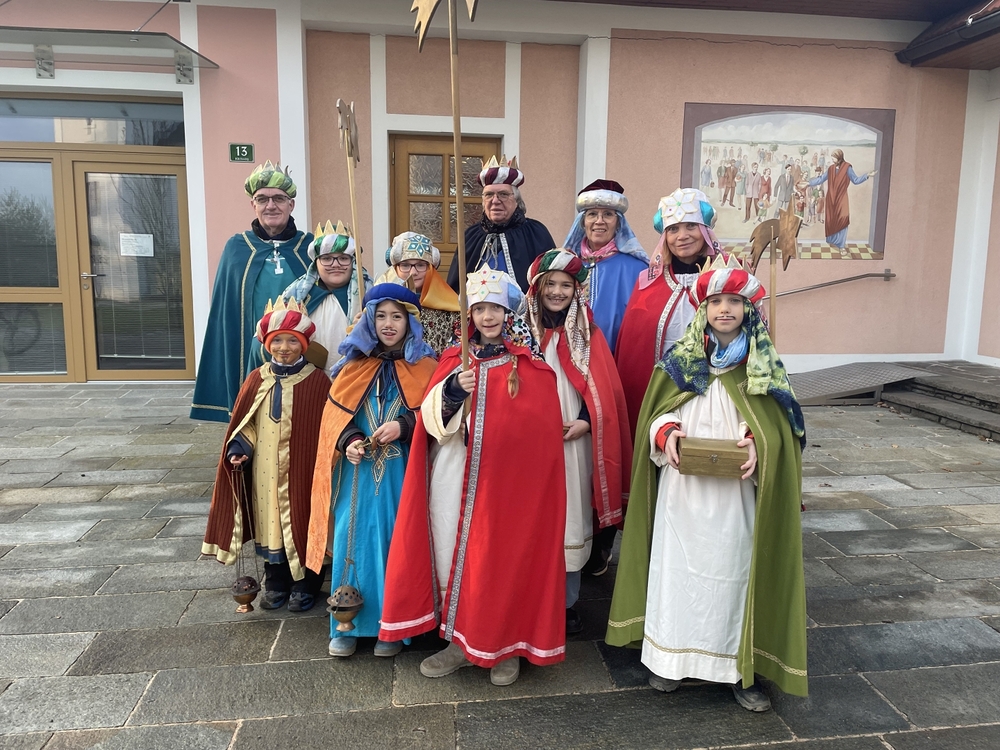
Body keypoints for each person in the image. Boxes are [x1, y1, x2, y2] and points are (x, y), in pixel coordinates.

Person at [606, 254, 807, 712]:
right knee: (677, 571)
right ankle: (671, 659)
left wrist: (759, 444)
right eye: (716, 301)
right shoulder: (680, 361)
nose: (724, 309)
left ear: (748, 309)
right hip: (683, 493)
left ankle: (740, 670)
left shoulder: (763, 367)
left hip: (736, 495)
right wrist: (666, 434)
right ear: (704, 309)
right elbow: (656, 415)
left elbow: (783, 429)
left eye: (734, 301)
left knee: (733, 573)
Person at [378, 267, 566, 687]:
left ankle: (506, 645)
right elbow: (429, 424)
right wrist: (451, 393)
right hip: (453, 476)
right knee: (453, 554)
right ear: (470, 315)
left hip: (508, 487)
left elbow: (540, 434)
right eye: (479, 309)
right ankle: (459, 643)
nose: (487, 317)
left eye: (495, 308)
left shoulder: (529, 367)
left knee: (504, 558)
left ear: (507, 314)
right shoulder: (453, 361)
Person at [306, 284, 437, 658]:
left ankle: (392, 626)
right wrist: (348, 439)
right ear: (369, 320)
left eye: (397, 316)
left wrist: (405, 426)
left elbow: (438, 417)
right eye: (380, 316)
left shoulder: (426, 368)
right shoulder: (352, 367)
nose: (388, 324)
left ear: (410, 322)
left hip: (402, 474)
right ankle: (345, 622)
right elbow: (334, 417)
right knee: (352, 537)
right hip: (357, 474)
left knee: (395, 541)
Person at [525, 249, 630, 635]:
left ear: (576, 291)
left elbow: (604, 389)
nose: (557, 291)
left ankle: (566, 601)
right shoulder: (519, 334)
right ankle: (529, 597)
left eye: (565, 285)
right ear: (537, 289)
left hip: (571, 440)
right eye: (550, 284)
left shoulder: (588, 335)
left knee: (569, 514)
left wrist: (586, 421)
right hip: (527, 443)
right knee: (530, 515)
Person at [202, 298, 329, 611]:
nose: (284, 348)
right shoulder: (257, 378)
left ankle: (306, 584)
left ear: (304, 344)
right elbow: (246, 422)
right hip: (265, 470)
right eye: (278, 340)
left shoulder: (317, 380)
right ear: (267, 343)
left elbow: (329, 424)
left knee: (303, 519)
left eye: (292, 341)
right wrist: (239, 449)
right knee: (269, 522)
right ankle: (276, 582)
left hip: (303, 469)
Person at [191, 161, 311, 422]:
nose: (271, 205)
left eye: (279, 198)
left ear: (291, 204)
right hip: (249, 348)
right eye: (262, 199)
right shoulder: (237, 248)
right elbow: (225, 310)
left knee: (301, 415)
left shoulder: (310, 247)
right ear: (253, 205)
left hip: (299, 347)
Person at [615, 188, 719, 436]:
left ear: (705, 230)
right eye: (673, 229)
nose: (682, 236)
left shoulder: (726, 279)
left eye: (691, 226)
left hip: (713, 394)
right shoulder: (647, 283)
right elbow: (633, 350)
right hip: (659, 393)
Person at [562, 180, 648, 354]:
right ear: (583, 222)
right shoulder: (566, 265)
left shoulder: (638, 269)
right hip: (568, 357)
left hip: (616, 358)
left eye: (608, 214)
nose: (599, 221)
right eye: (592, 214)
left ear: (619, 223)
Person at [446, 155, 555, 293]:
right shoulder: (470, 236)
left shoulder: (536, 233)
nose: (495, 201)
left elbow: (551, 283)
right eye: (489, 195)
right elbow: (454, 289)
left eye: (503, 194)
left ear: (517, 201)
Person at [278, 220, 372, 373]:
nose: (335, 264)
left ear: (353, 262)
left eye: (343, 258)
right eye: (327, 258)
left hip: (355, 376)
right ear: (316, 263)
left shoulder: (368, 296)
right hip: (307, 379)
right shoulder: (296, 297)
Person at [377, 232, 461, 355]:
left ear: (431, 268)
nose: (413, 272)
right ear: (395, 269)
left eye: (421, 265)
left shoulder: (451, 309)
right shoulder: (380, 304)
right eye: (405, 265)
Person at [806, 148, 876, 251]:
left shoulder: (847, 168)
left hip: (841, 199)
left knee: (842, 220)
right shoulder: (831, 169)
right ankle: (831, 241)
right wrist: (808, 183)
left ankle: (841, 245)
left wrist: (867, 175)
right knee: (831, 220)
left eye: (834, 158)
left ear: (839, 157)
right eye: (832, 158)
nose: (833, 160)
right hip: (831, 199)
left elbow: (855, 180)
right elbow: (821, 179)